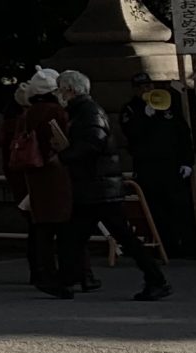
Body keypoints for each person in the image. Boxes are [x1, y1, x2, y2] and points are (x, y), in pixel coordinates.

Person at [55, 71, 171, 301]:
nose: (59, 93)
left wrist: (65, 154)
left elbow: (93, 143)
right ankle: (65, 281)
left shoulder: (88, 112)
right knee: (76, 236)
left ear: (70, 90)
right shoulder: (84, 112)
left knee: (112, 236)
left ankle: (156, 279)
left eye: (61, 88)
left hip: (98, 187)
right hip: (96, 186)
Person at [4, 67, 74, 297]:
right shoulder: (58, 112)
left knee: (40, 227)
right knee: (60, 227)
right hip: (55, 173)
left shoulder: (26, 115)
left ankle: (41, 271)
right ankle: (60, 274)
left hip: (31, 174)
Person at [120, 84, 196, 258]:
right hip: (149, 169)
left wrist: (187, 162)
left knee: (182, 209)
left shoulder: (171, 112)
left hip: (173, 169)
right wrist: (144, 118)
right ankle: (166, 247)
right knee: (157, 211)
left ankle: (190, 246)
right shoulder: (132, 110)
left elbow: (183, 136)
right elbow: (131, 137)